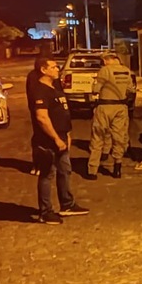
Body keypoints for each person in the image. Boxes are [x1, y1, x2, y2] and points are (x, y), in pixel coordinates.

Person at [31, 56, 88, 224]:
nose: (58, 69)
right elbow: (42, 117)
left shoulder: (54, 87)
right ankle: (45, 212)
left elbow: (61, 113)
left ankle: (67, 205)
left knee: (65, 171)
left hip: (62, 137)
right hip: (48, 141)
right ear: (44, 70)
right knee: (47, 175)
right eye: (54, 67)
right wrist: (55, 138)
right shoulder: (40, 90)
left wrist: (67, 134)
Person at [87, 52, 136, 179]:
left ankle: (92, 170)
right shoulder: (126, 71)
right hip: (121, 108)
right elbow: (131, 89)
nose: (103, 63)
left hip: (105, 107)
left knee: (98, 136)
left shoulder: (105, 70)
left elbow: (95, 90)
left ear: (110, 60)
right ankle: (117, 168)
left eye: (104, 60)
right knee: (119, 137)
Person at [26, 58, 63, 176]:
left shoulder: (53, 77)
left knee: (52, 135)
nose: (57, 69)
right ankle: (39, 164)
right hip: (39, 108)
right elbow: (32, 94)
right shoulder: (33, 77)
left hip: (52, 109)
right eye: (53, 66)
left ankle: (53, 163)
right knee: (40, 137)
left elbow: (58, 90)